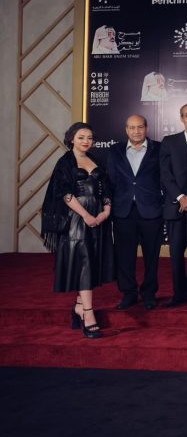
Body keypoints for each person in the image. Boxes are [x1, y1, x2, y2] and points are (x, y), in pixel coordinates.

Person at [41, 122, 114, 338]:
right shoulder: (64, 162)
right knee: (84, 263)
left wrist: (106, 211)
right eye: (81, 137)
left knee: (91, 261)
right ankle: (88, 315)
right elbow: (64, 193)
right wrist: (85, 215)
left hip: (98, 218)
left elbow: (106, 189)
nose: (86, 141)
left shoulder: (96, 160)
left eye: (89, 137)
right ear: (71, 139)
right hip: (77, 219)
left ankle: (79, 308)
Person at [107, 115, 163, 311]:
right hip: (123, 211)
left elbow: (165, 178)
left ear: (146, 128)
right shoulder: (115, 150)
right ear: (126, 130)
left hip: (151, 210)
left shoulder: (159, 149)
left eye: (140, 127)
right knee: (124, 256)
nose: (136, 131)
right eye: (132, 127)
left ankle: (149, 294)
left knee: (152, 256)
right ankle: (129, 293)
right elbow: (111, 180)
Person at [159, 103, 187, 310]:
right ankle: (179, 294)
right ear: (181, 118)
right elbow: (165, 174)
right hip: (175, 208)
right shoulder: (169, 142)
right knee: (176, 254)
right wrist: (181, 197)